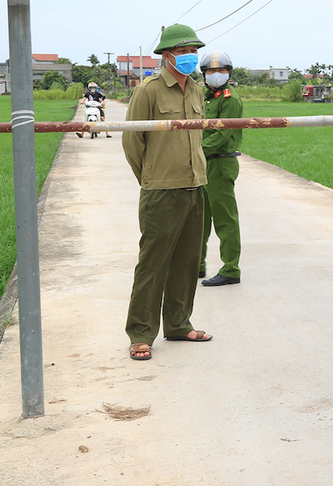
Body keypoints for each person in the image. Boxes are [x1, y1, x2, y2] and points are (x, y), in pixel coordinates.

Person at [123, 24, 213, 360]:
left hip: (195, 186)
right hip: (161, 190)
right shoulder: (148, 91)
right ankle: (140, 333)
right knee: (153, 264)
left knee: (187, 262)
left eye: (194, 51)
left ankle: (178, 324)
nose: (190, 56)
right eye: (182, 51)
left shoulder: (196, 90)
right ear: (166, 55)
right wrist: (150, 177)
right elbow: (132, 141)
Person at [198, 50, 243, 287]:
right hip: (203, 163)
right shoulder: (205, 96)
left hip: (220, 162)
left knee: (225, 220)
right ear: (204, 75)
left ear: (229, 73)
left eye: (222, 70)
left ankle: (231, 269)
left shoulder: (229, 100)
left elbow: (220, 135)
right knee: (200, 219)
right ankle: (197, 264)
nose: (217, 74)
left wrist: (194, 152)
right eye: (211, 71)